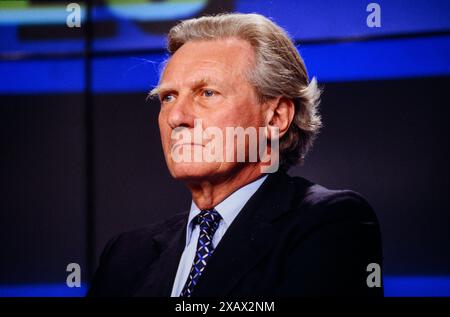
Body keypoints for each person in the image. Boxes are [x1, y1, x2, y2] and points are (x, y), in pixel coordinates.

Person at [87, 13, 383, 297]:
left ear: (276, 117)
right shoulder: (126, 254)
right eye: (168, 97)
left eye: (207, 93)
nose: (176, 116)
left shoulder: (330, 224)